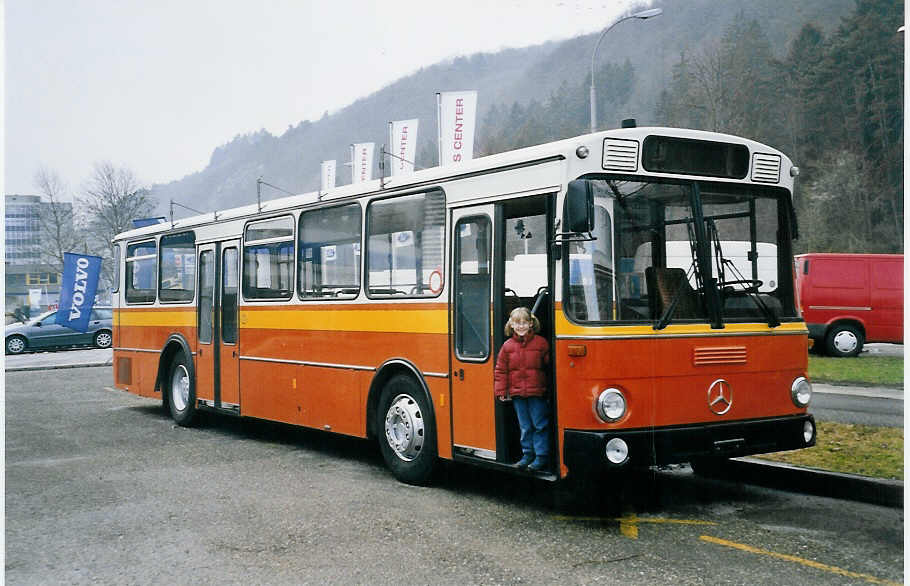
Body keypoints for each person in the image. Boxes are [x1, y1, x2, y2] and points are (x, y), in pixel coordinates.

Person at [494, 306, 551, 472]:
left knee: (540, 425)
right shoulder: (507, 346)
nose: (521, 326)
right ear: (511, 325)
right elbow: (500, 370)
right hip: (517, 394)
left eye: (524, 322)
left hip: (537, 393)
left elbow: (550, 367)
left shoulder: (541, 343)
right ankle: (527, 455)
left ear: (531, 324)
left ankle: (541, 457)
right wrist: (501, 391)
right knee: (525, 426)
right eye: (517, 323)